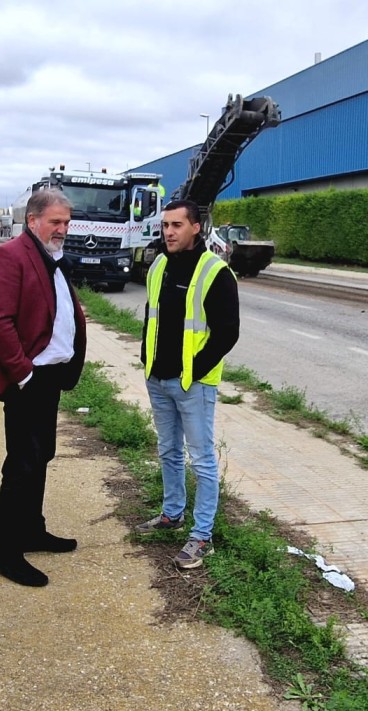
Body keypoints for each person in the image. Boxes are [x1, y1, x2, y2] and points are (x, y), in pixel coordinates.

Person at [0, 189, 87, 587]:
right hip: (28, 379)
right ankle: (8, 553)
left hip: (51, 377)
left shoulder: (51, 258)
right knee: (21, 463)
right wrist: (24, 375)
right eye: (56, 222)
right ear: (33, 220)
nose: (63, 229)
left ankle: (32, 530)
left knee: (42, 455)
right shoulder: (10, 255)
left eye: (67, 223)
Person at [135, 199, 239, 569]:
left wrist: (193, 372)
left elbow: (228, 333)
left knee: (202, 460)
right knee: (168, 451)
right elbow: (153, 317)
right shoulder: (159, 264)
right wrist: (146, 359)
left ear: (196, 227)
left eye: (177, 225)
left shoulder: (216, 272)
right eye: (165, 225)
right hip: (157, 379)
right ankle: (172, 513)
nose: (169, 232)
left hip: (192, 384)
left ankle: (201, 536)